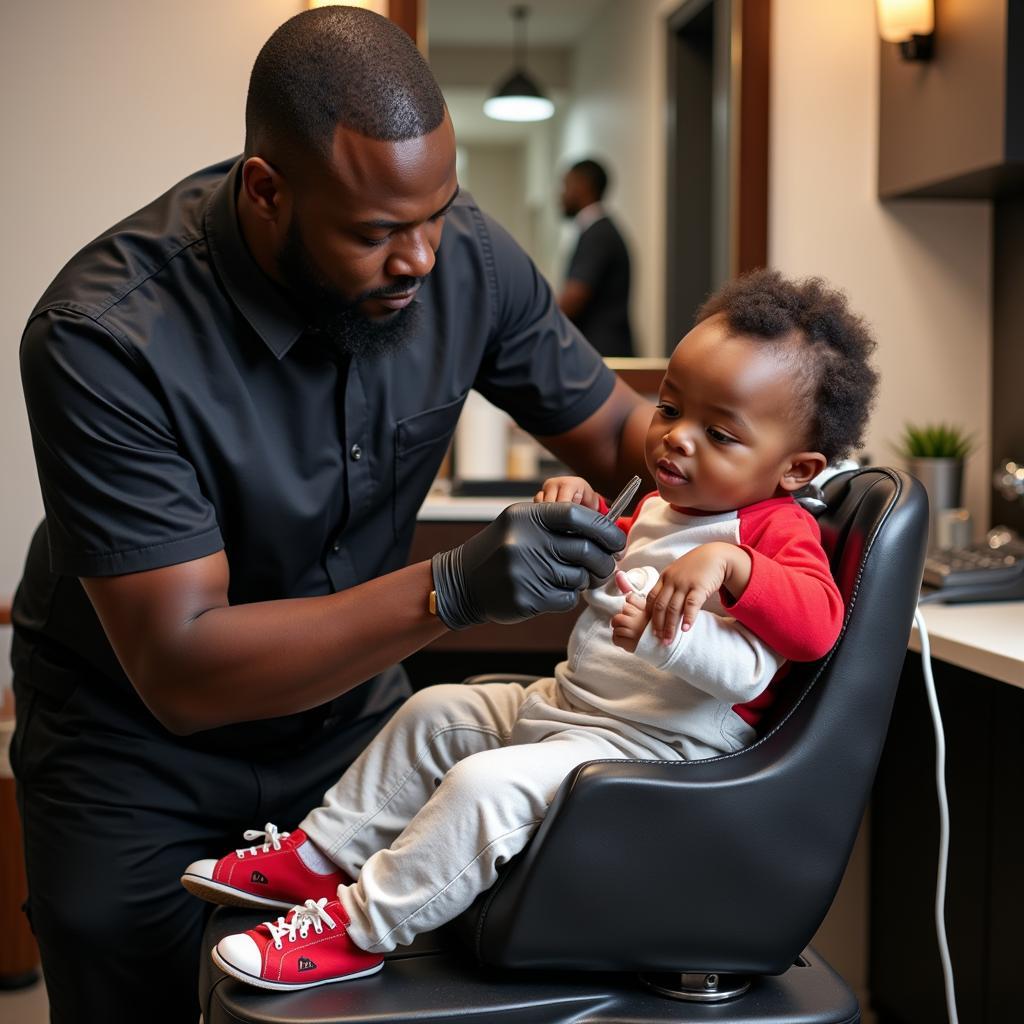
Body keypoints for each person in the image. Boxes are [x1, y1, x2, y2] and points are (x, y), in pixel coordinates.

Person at [10, 9, 653, 1022]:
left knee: (373, 998)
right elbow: (181, 668)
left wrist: (777, 459)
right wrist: (451, 586)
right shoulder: (104, 335)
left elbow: (628, 437)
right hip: (131, 748)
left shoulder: (461, 255)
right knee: (140, 993)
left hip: (348, 724)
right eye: (377, 233)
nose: (423, 259)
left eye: (438, 212)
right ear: (266, 190)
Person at [181, 268, 879, 992]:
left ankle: (360, 930)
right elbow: (604, 564)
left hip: (658, 753)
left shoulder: (773, 528)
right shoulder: (662, 505)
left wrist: (735, 566)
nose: (676, 439)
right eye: (668, 408)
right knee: (435, 709)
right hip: (572, 709)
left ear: (796, 468)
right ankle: (324, 856)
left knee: (486, 787)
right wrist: (577, 505)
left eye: (720, 433)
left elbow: (818, 626)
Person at [558, 158, 634, 357]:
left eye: (566, 185)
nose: (561, 194)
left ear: (583, 186)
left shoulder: (598, 235)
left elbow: (574, 297)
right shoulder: (599, 230)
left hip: (603, 353)